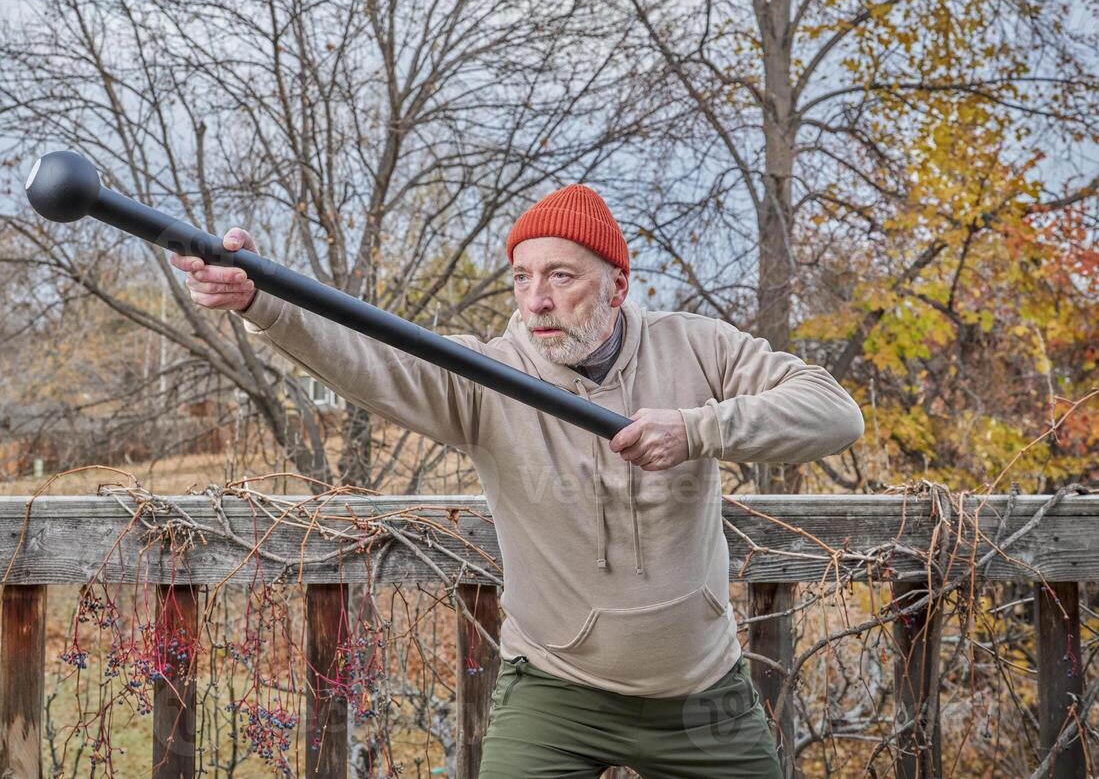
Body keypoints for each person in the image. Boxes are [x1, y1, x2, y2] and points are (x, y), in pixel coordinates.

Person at [171, 183, 865, 778]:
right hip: (556, 691)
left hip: (700, 690)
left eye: (561, 276)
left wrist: (695, 430)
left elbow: (833, 413)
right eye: (521, 277)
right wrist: (262, 301)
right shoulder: (488, 375)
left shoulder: (698, 347)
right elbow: (368, 359)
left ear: (617, 285)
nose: (536, 300)